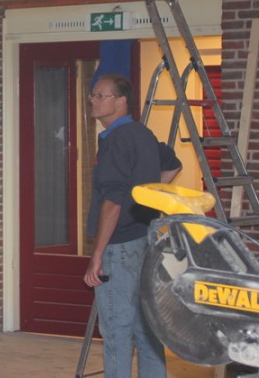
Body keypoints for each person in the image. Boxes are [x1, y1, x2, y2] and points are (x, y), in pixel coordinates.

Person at [83, 73, 181, 378]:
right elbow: (173, 164)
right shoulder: (142, 133)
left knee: (117, 331)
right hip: (144, 241)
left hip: (120, 246)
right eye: (93, 95)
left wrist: (97, 255)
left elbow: (112, 203)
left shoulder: (116, 141)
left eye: (101, 96)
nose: (93, 101)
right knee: (147, 329)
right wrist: (143, 198)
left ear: (121, 101)